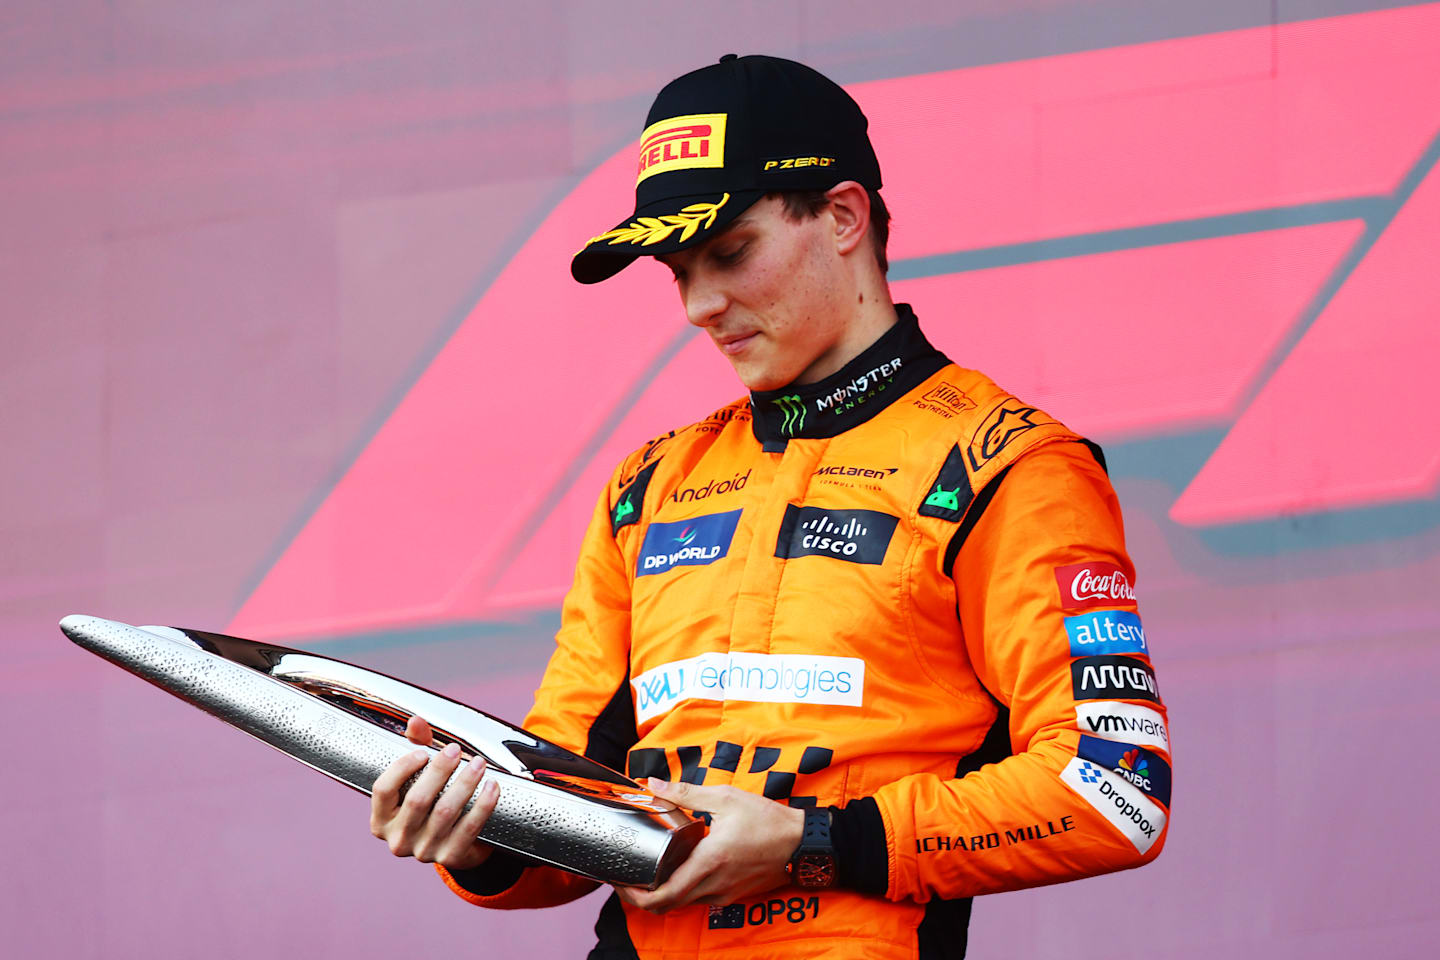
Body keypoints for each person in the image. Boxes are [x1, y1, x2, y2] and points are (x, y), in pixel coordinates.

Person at [368, 54, 1170, 959]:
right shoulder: (650, 486)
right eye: (676, 269)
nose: (699, 305)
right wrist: (479, 842)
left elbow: (1116, 792)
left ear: (841, 216)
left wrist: (811, 848)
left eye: (730, 252)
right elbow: (572, 819)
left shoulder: (1010, 466)